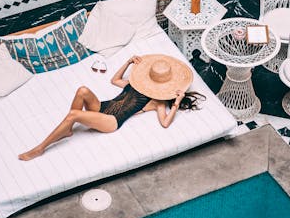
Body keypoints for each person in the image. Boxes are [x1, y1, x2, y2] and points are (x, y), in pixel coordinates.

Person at [18, 53, 204, 160]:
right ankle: (66, 130)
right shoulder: (137, 84)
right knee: (82, 90)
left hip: (112, 121)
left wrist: (177, 103)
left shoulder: (158, 101)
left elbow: (164, 123)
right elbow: (114, 80)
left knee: (74, 115)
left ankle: (41, 147)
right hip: (103, 107)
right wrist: (129, 62)